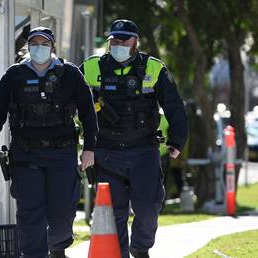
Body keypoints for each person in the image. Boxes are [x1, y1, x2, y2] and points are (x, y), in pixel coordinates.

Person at [0, 27, 98, 258]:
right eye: (34, 43)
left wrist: (89, 149)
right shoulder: (13, 76)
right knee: (29, 212)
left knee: (62, 211)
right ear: (28, 46)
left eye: (44, 43)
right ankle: (34, 254)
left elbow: (88, 113)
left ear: (52, 46)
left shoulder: (70, 74)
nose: (39, 47)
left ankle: (57, 247)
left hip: (62, 153)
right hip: (26, 154)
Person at [80, 19, 188, 258]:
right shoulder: (90, 67)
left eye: (123, 40)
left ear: (135, 42)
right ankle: (119, 254)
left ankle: (140, 248)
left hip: (144, 151)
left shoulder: (154, 68)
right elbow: (70, 101)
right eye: (114, 40)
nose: (118, 44)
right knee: (114, 212)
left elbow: (175, 108)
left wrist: (177, 141)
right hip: (107, 153)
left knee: (149, 207)